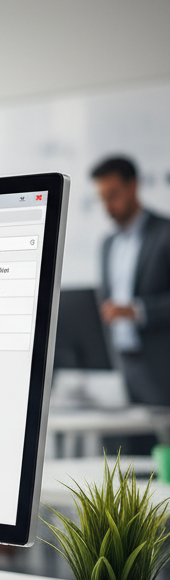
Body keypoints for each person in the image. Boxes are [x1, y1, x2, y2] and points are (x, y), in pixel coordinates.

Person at [93, 155, 170, 405]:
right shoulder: (107, 244)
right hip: (120, 367)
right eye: (102, 198)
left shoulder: (164, 234)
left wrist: (136, 311)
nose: (107, 205)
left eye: (113, 195)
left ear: (133, 186)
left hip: (160, 365)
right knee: (120, 444)